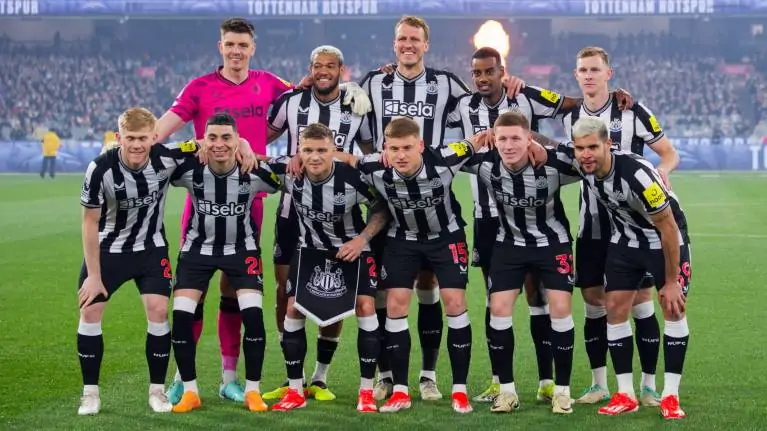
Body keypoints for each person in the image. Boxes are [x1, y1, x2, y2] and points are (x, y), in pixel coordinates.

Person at [155, 17, 371, 404]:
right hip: (202, 201)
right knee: (192, 295)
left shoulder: (271, 84)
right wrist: (138, 143)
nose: (236, 51)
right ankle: (180, 378)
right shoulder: (199, 87)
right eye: (230, 44)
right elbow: (160, 132)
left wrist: (351, 87)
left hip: (248, 201)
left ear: (252, 48)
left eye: (243, 45)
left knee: (234, 290)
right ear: (220, 47)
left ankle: (230, 378)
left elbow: (314, 88)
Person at [449, 46, 634, 403]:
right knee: (495, 300)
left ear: (502, 71)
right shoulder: (463, 106)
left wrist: (611, 97)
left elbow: (572, 106)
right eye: (477, 73)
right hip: (492, 221)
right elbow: (433, 144)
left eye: (490, 71)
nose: (483, 78)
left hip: (546, 230)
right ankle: (500, 383)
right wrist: (472, 144)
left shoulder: (526, 96)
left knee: (541, 301)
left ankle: (550, 382)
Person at [358, 15, 475, 401]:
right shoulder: (373, 82)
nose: (408, 45)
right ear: (394, 44)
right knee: (384, 293)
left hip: (433, 194)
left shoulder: (446, 83)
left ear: (426, 45)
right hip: (385, 198)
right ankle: (387, 376)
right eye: (402, 39)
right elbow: (352, 121)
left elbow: (481, 110)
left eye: (414, 39)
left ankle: (427, 375)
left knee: (428, 288)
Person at [558, 46, 679, 406]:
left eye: (595, 69)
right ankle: (599, 384)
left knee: (640, 301)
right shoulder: (570, 115)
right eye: (583, 70)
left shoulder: (633, 110)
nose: (589, 75)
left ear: (608, 74)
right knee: (593, 302)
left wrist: (662, 171)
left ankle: (648, 385)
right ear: (576, 75)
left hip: (633, 227)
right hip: (592, 224)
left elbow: (669, 153)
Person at [349, 117, 489, 414]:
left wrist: (530, 145)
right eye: (394, 148)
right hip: (403, 239)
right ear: (385, 148)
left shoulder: (447, 158)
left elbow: (478, 139)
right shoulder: (374, 166)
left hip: (446, 237)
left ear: (421, 146)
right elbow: (344, 159)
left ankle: (460, 391)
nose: (401, 155)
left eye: (407, 148)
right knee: (395, 305)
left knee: (455, 303)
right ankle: (400, 391)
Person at [262, 45, 373, 402]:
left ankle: (320, 378)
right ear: (310, 69)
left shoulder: (357, 105)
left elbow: (370, 155)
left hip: (341, 212)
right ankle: (291, 375)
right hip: (293, 211)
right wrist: (288, 157)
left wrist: (342, 156)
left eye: (330, 66)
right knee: (286, 292)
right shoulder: (291, 101)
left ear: (341, 69)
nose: (323, 71)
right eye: (317, 66)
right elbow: (262, 136)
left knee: (334, 291)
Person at [76, 107, 198, 415]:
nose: (136, 144)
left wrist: (243, 145)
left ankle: (157, 391)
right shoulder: (100, 169)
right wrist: (94, 275)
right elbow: (89, 222)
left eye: (143, 138)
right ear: (119, 138)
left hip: (150, 250)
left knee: (158, 311)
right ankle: (90, 394)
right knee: (90, 312)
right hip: (108, 252)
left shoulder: (167, 157)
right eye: (130, 138)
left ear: (154, 137)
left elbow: (204, 144)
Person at [262, 123, 390, 413]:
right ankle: (295, 390)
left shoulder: (352, 177)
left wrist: (361, 239)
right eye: (308, 150)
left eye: (322, 150)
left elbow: (381, 209)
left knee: (366, 306)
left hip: (352, 251)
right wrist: (244, 147)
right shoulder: (290, 172)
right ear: (299, 151)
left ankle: (366, 392)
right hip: (310, 251)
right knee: (292, 308)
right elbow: (257, 162)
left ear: (334, 150)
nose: (315, 157)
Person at [568, 116, 690, 420]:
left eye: (592, 147)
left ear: (608, 144)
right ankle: (625, 394)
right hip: (625, 241)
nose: (586, 154)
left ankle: (670, 396)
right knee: (614, 308)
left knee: (673, 308)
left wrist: (671, 281)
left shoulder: (636, 175)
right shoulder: (584, 165)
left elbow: (668, 226)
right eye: (580, 148)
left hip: (663, 240)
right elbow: (549, 148)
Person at [461, 111, 580, 414]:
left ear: (529, 139)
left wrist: (548, 147)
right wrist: (475, 141)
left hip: (552, 244)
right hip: (509, 245)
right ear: (495, 139)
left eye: (516, 138)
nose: (509, 145)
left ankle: (562, 392)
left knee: (560, 309)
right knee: (498, 309)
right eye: (502, 139)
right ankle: (507, 391)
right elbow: (440, 157)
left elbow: (589, 156)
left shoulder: (552, 164)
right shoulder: (485, 163)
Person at [168, 113, 283, 413]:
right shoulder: (189, 169)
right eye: (213, 138)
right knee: (181, 317)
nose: (219, 144)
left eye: (227, 137)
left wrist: (251, 149)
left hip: (241, 251)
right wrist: (193, 145)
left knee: (253, 317)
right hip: (197, 251)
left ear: (237, 140)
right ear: (205, 140)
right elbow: (157, 154)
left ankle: (252, 391)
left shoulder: (253, 171)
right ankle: (189, 390)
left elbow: (289, 171)